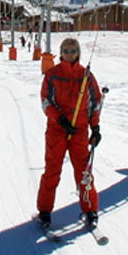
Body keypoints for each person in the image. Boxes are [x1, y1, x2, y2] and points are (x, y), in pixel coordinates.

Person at [36, 37, 102, 231]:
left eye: (72, 51)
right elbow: (46, 101)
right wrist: (61, 120)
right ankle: (45, 211)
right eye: (65, 50)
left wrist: (95, 127)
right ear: (61, 52)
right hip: (58, 129)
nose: (69, 54)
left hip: (80, 130)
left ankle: (90, 209)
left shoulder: (86, 75)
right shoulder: (53, 74)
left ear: (78, 53)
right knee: (52, 170)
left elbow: (94, 102)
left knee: (84, 171)